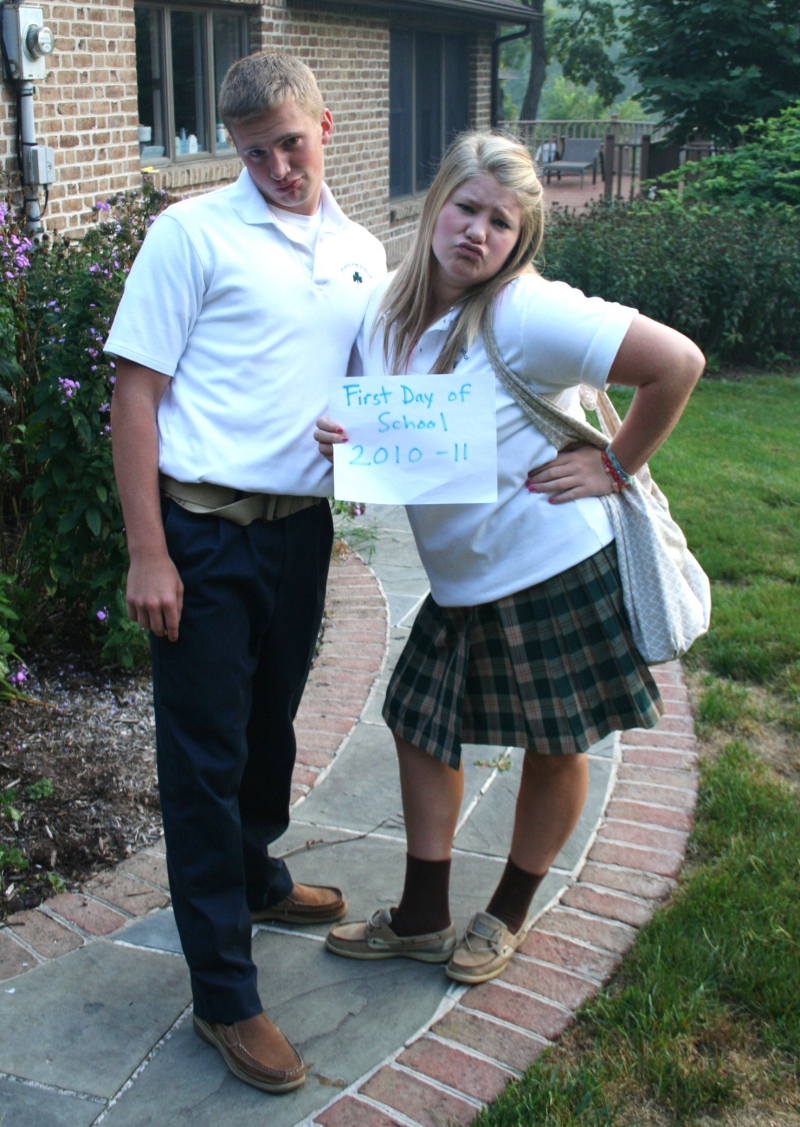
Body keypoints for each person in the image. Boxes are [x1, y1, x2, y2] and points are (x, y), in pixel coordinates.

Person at [315, 131, 704, 985]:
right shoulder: (386, 311)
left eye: (502, 223)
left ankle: (508, 911)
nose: (478, 233)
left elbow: (677, 364)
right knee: (418, 723)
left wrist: (612, 465)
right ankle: (423, 916)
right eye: (467, 209)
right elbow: (406, 439)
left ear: (521, 238)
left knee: (554, 745)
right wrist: (349, 444)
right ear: (437, 204)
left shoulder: (528, 311)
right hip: (463, 579)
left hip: (552, 569)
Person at [106, 53, 386, 1093]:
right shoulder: (190, 234)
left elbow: (371, 388)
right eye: (253, 151)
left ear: (325, 124)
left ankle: (256, 872)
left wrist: (374, 436)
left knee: (270, 727)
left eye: (290, 144)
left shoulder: (362, 252)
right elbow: (134, 396)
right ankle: (223, 992)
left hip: (300, 532)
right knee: (204, 759)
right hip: (204, 535)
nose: (275, 167)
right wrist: (149, 551)